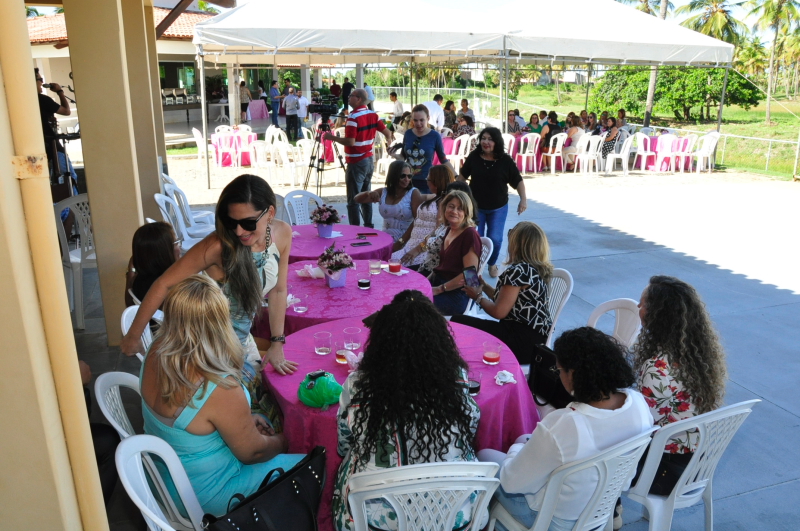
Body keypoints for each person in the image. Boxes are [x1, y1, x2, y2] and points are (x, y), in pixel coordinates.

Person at [140, 275, 304, 517]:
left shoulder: (157, 349)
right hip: (208, 498)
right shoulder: (218, 387)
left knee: (263, 425)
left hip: (165, 482)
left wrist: (243, 423)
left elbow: (202, 421)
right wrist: (284, 441)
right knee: (317, 465)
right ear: (219, 324)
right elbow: (252, 454)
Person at [121, 175, 298, 379]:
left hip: (241, 341)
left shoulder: (283, 233)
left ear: (270, 213)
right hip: (208, 348)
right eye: (232, 221)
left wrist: (277, 343)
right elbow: (163, 284)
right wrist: (134, 336)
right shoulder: (218, 246)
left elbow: (278, 290)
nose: (239, 231)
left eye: (248, 223)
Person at [332, 289, 481, 531]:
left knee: (348, 464)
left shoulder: (358, 385)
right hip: (453, 518)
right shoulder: (457, 380)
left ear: (381, 341)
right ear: (439, 340)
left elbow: (344, 445)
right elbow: (469, 432)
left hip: (374, 522)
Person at [478, 327, 653, 531]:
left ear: (574, 374)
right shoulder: (638, 404)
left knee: (485, 454)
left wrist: (515, 451)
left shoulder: (565, 423)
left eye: (559, 370)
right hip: (600, 505)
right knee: (523, 439)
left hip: (551, 519)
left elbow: (511, 483)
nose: (558, 375)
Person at [632, 276, 727, 495]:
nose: (638, 308)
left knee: (598, 443)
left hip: (665, 472)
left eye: (643, 304)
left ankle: (611, 511)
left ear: (659, 315)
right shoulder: (701, 355)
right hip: (697, 463)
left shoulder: (656, 368)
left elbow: (641, 427)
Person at [453, 221, 553, 364]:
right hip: (536, 340)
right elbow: (508, 300)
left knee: (457, 322)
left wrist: (477, 297)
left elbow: (499, 312)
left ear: (517, 244)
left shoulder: (517, 271)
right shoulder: (535, 269)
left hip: (518, 340)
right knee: (463, 323)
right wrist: (485, 286)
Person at [458, 127, 527, 278]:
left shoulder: (505, 161)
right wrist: (455, 196)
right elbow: (461, 178)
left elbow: (518, 180)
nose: (486, 142)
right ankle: (474, 271)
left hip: (498, 207)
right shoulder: (474, 157)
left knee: (495, 239)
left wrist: (523, 199)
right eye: (483, 138)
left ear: (497, 142)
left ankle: (491, 263)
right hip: (476, 207)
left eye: (490, 139)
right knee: (476, 239)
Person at [323, 89, 393, 228]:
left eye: (351, 96)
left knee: (353, 200)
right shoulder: (373, 115)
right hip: (368, 160)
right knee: (367, 196)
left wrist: (332, 137)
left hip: (356, 162)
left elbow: (350, 142)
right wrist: (389, 143)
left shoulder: (353, 117)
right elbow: (387, 132)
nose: (348, 98)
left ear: (359, 99)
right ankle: (368, 225)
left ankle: (354, 229)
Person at [392, 164, 454, 268]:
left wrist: (418, 249)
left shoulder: (443, 202)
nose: (427, 181)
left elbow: (438, 232)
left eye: (428, 179)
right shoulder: (436, 197)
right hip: (412, 246)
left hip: (422, 251)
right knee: (388, 263)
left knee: (392, 268)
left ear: (436, 181)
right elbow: (423, 197)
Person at [430, 190, 481, 315]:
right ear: (445, 207)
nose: (454, 211)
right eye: (451, 206)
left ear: (467, 212)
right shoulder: (450, 229)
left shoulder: (470, 234)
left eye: (460, 209)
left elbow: (470, 275)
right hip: (440, 283)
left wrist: (440, 289)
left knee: (414, 305)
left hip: (458, 294)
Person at [354, 160, 422, 241]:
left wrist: (401, 242)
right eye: (403, 176)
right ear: (394, 176)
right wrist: (368, 193)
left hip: (406, 239)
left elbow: (418, 221)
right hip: (385, 237)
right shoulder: (384, 192)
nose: (406, 179)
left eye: (409, 176)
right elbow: (356, 199)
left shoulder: (413, 193)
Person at [396, 104, 452, 194]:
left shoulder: (434, 136)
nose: (418, 123)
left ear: (428, 118)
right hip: (407, 181)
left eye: (422, 120)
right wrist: (394, 155)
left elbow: (443, 159)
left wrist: (456, 176)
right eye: (415, 120)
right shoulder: (408, 134)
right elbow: (403, 157)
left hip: (427, 182)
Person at [124, 221, 180, 307]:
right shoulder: (169, 286)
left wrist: (131, 271)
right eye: (176, 243)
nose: (179, 247)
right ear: (163, 252)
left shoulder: (138, 281)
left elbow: (128, 303)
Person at [35, 68, 75, 186]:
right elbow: (66, 111)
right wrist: (59, 91)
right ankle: (70, 205)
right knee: (69, 179)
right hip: (54, 147)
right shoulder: (43, 99)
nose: (42, 82)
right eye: (40, 79)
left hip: (43, 148)